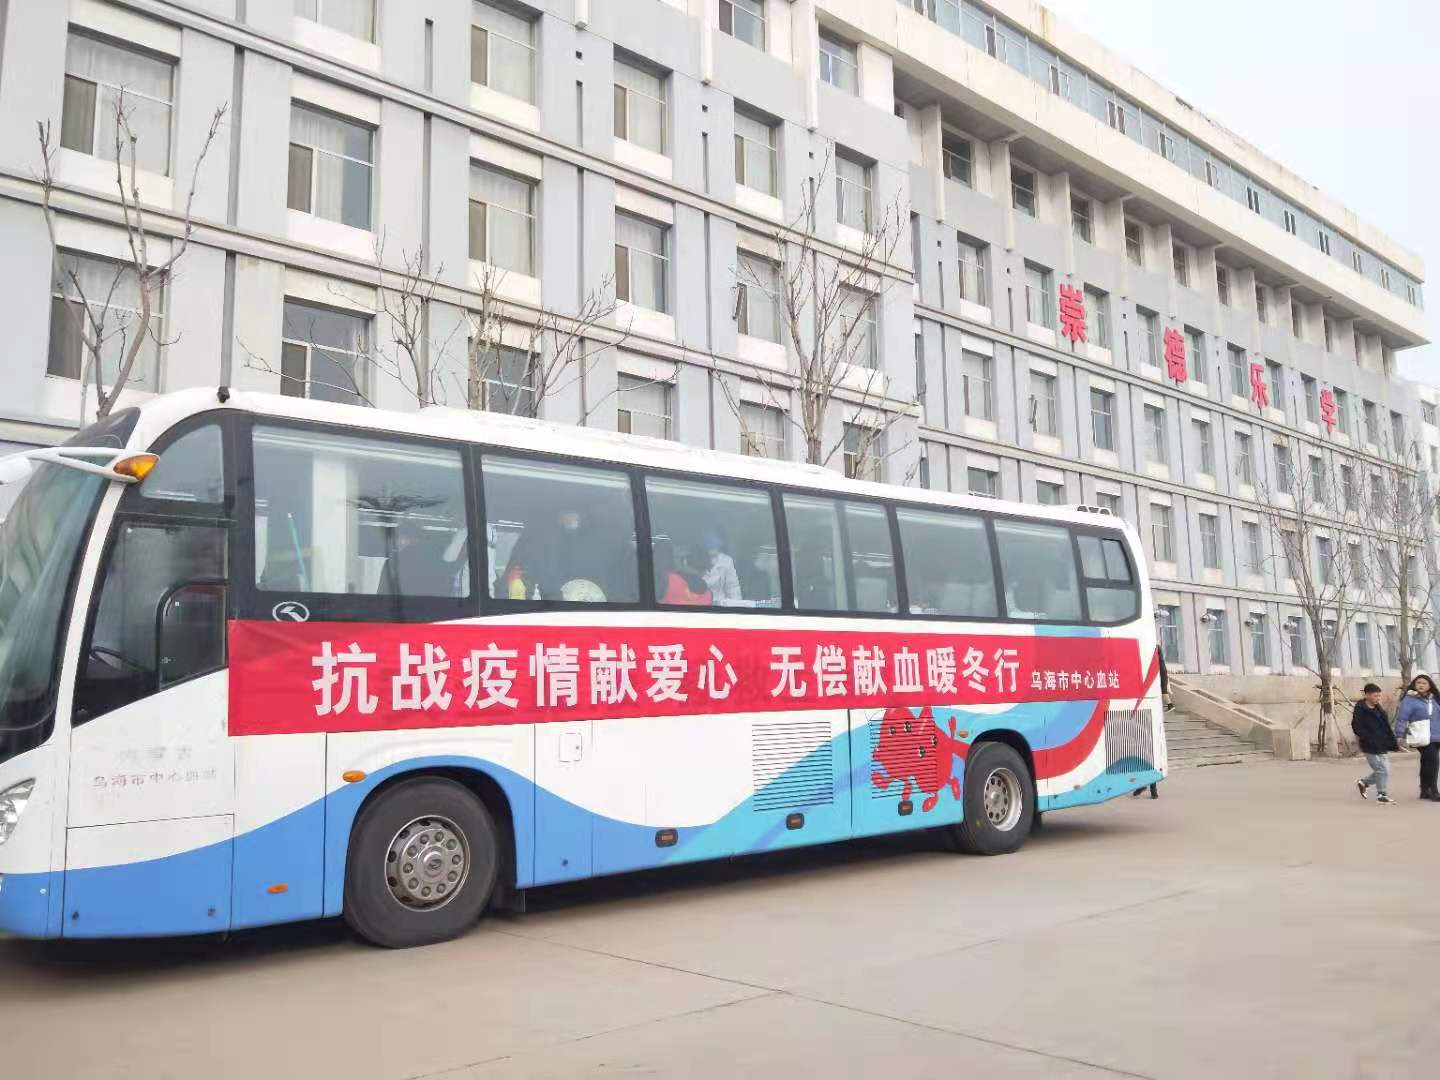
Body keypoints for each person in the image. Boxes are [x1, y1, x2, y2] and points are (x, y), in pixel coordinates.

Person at [1394, 673, 1440, 801]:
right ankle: (1434, 791)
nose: (1421, 685)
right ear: (1414, 685)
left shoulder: (1435, 698)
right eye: (1418, 683)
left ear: (1430, 686)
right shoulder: (1409, 700)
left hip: (1436, 735)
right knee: (1433, 762)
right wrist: (1399, 735)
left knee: (1427, 762)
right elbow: (1402, 718)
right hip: (1421, 736)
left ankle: (1424, 790)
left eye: (1424, 683)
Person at [1352, 682, 1399, 804]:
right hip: (1369, 744)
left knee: (1385, 770)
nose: (1378, 698)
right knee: (1381, 769)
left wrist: (1391, 741)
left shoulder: (1379, 709)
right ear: (1367, 695)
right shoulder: (1360, 709)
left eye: (1379, 695)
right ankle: (1381, 795)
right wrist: (1368, 738)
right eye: (1375, 696)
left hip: (1381, 744)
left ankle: (1364, 782)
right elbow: (1356, 726)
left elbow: (1386, 727)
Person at [697, 529, 742, 604]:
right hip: (700, 605)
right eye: (709, 543)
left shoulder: (726, 561)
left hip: (720, 605)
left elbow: (732, 587)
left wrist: (737, 605)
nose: (712, 545)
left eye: (714, 543)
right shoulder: (694, 561)